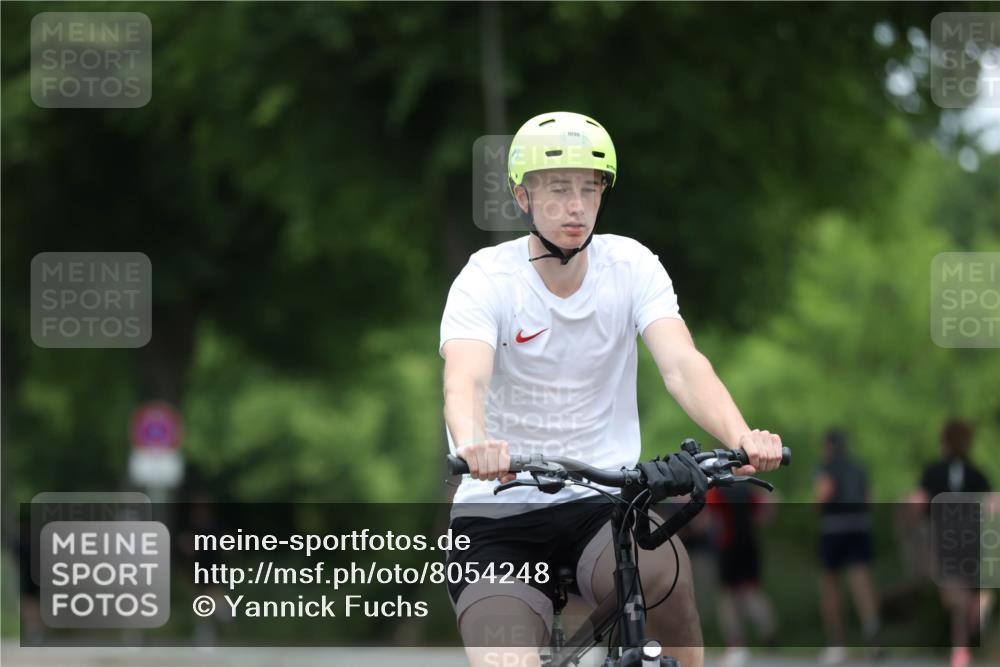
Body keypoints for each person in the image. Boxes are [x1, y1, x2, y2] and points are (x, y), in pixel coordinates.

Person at [440, 111, 784, 667]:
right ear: (521, 197)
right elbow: (466, 377)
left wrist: (741, 437)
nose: (576, 205)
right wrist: (474, 443)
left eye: (589, 187)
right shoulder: (487, 277)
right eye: (557, 189)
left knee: (665, 581)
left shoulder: (632, 266)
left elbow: (681, 364)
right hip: (495, 515)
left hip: (602, 508)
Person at [909, 419, 994, 667]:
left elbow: (918, 503)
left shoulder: (933, 471)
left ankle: (960, 649)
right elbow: (990, 507)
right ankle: (979, 604)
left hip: (943, 537)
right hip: (971, 537)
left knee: (953, 598)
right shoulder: (977, 474)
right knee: (962, 594)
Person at [813, 429, 880, 665]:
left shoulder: (827, 468)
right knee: (862, 580)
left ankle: (837, 642)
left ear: (828, 446)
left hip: (834, 528)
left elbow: (824, 494)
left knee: (831, 585)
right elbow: (870, 500)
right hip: (860, 526)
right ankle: (872, 631)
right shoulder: (858, 469)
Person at [705, 483, 777, 667]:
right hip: (750, 543)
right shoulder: (749, 489)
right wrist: (757, 521)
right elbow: (770, 501)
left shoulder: (717, 491)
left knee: (727, 596)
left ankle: (736, 644)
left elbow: (708, 518)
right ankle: (768, 632)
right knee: (752, 591)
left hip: (727, 545)